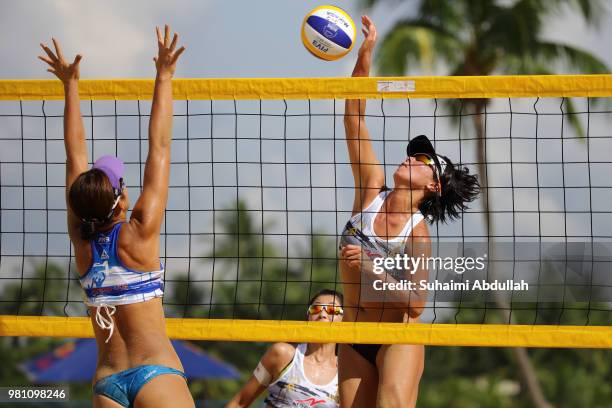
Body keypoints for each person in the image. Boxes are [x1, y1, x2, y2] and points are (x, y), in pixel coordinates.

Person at [38, 26, 193, 408]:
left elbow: (74, 157)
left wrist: (69, 86)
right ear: (123, 201)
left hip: (106, 383)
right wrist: (164, 76)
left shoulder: (81, 240)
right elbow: (159, 147)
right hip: (154, 372)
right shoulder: (138, 234)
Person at [338, 16, 480, 408]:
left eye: (421, 160)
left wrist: (372, 268)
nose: (410, 158)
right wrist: (366, 53)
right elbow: (354, 120)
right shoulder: (371, 190)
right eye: (413, 154)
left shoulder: (418, 234)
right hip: (353, 333)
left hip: (398, 334)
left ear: (432, 185)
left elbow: (417, 301)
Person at [227, 289, 344, 408]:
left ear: (345, 320)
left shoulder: (346, 372)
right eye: (316, 308)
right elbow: (239, 402)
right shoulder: (282, 354)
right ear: (308, 317)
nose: (322, 314)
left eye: (332, 309)